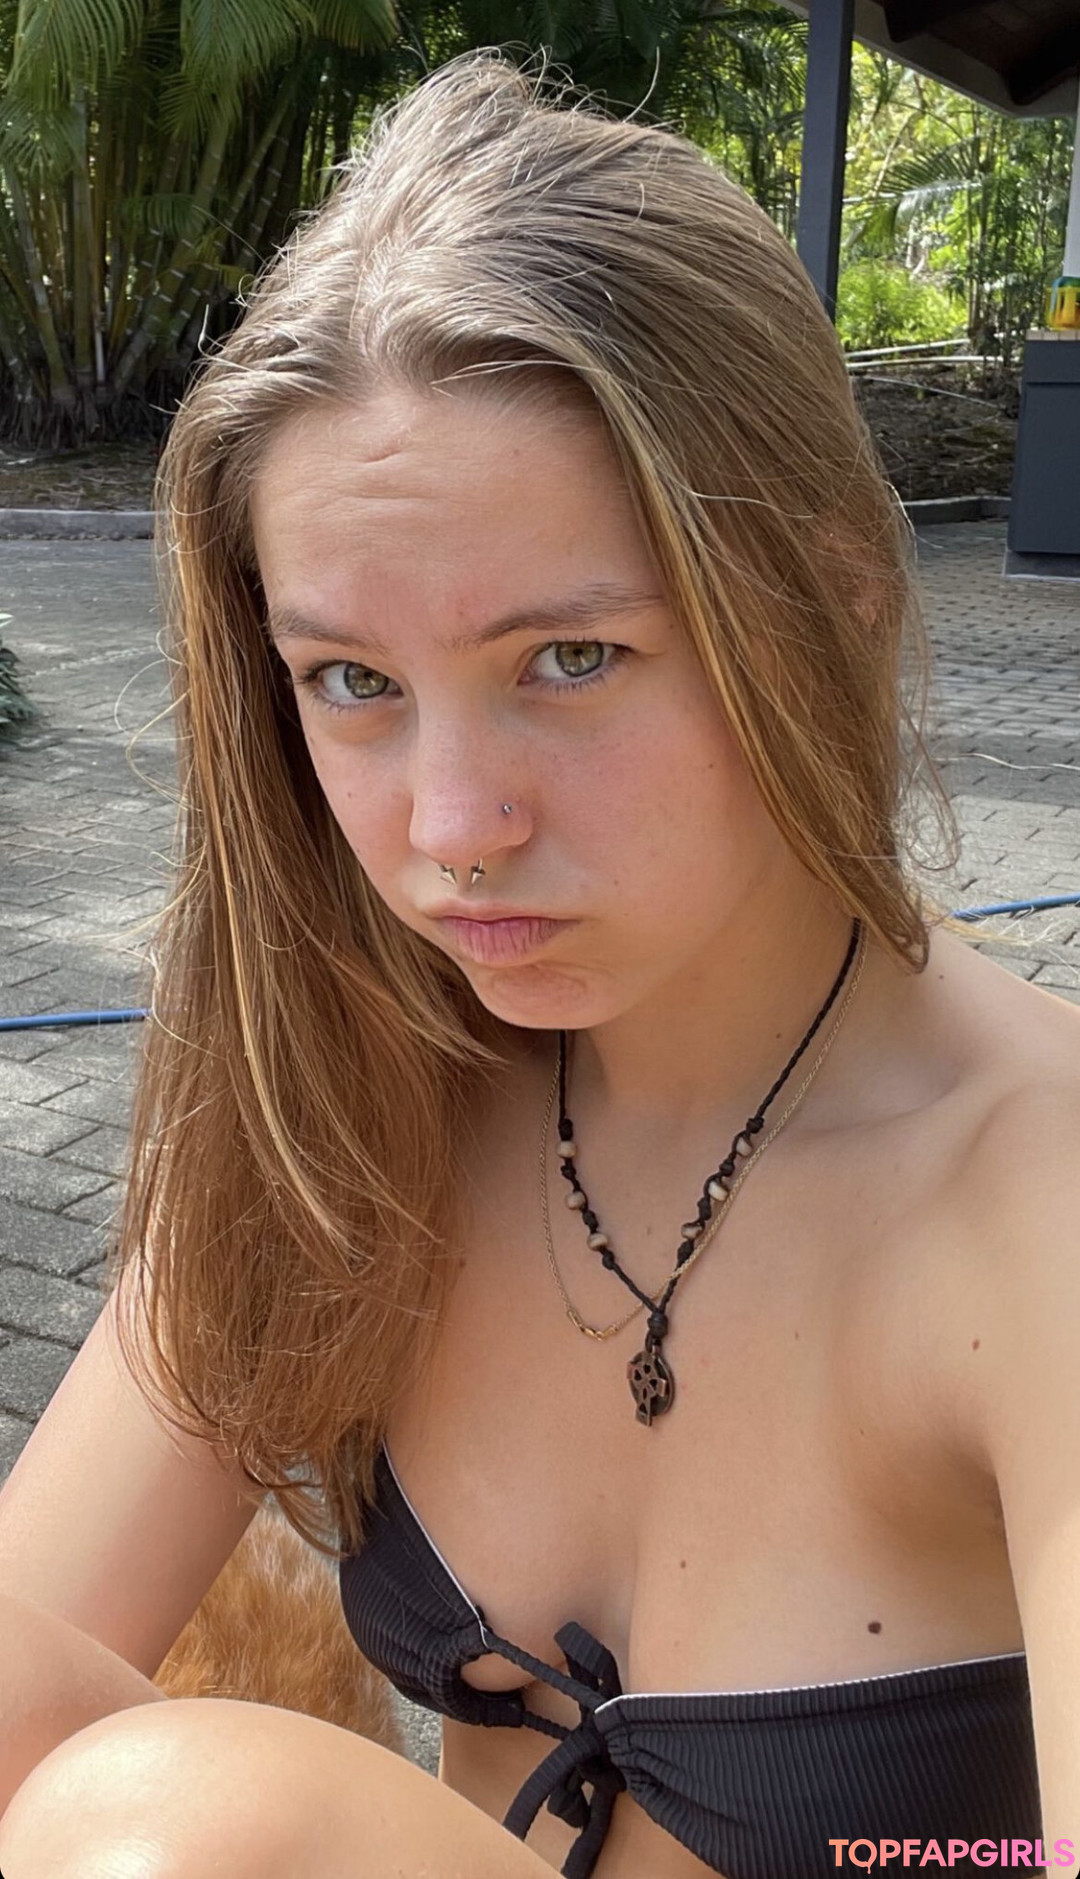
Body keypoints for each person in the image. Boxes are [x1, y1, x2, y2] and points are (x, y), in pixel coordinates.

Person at [1, 45, 1078, 1879]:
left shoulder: (1037, 1211)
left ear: (835, 604)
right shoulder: (351, 1102)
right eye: (353, 681)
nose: (453, 826)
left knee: (200, 1821)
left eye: (571, 660)